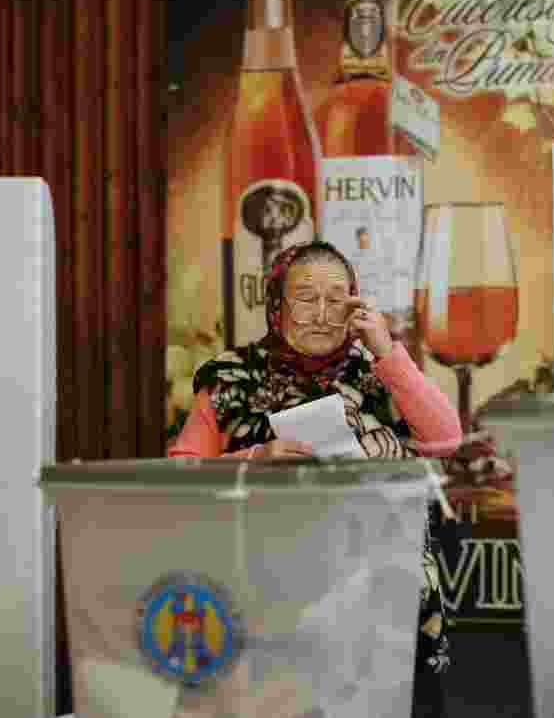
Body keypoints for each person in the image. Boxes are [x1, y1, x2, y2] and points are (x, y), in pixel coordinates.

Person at [169, 240, 461, 717]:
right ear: (276, 306)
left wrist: (387, 349)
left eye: (337, 299)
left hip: (380, 587)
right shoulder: (229, 377)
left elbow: (446, 439)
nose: (323, 313)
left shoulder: (380, 371)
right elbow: (179, 475)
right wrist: (256, 457)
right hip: (267, 585)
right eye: (306, 298)